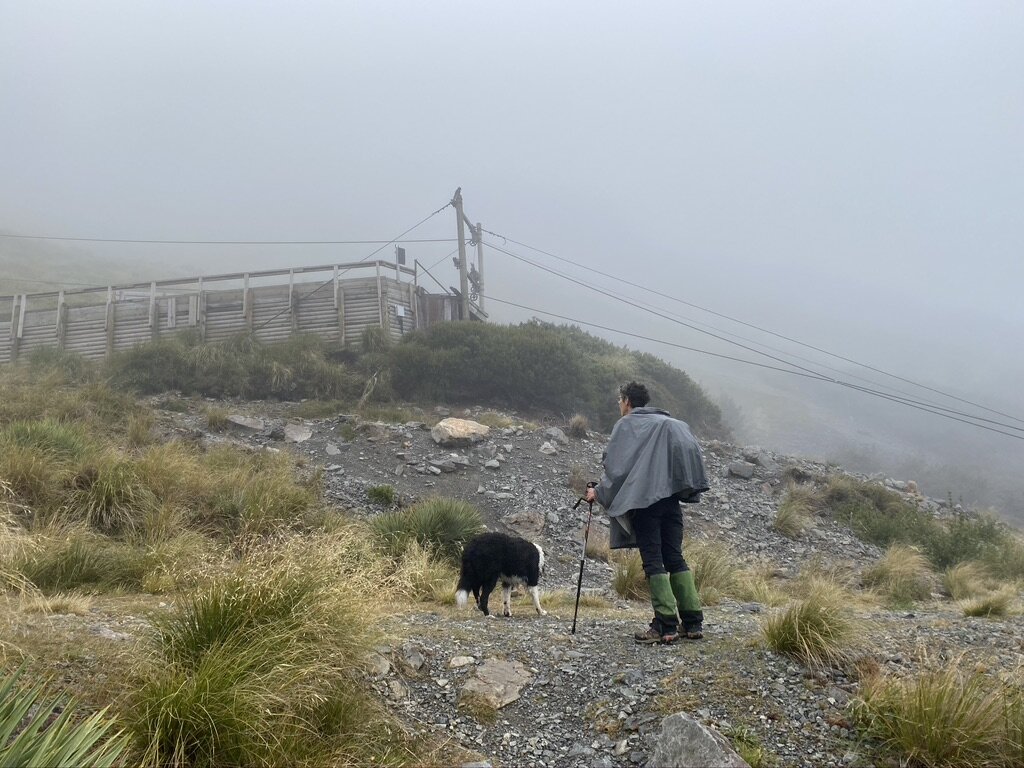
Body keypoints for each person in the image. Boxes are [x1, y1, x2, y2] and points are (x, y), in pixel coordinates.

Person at [585, 381, 709, 644]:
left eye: (620, 400)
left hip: (646, 505)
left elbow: (617, 469)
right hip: (671, 503)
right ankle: (693, 622)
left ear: (627, 401)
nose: (619, 405)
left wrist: (599, 493)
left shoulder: (628, 425)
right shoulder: (671, 424)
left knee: (654, 560)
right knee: (674, 557)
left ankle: (665, 625)